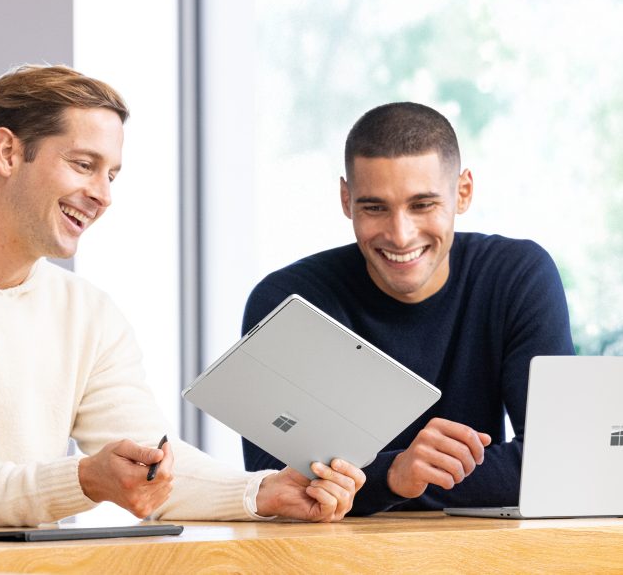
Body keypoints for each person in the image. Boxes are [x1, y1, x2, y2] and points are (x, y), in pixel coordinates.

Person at [0, 64, 364, 532]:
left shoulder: (86, 313)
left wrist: (264, 491)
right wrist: (85, 480)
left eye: (112, 173)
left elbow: (152, 473)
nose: (103, 195)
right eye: (83, 165)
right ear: (8, 153)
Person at [241, 102, 574, 515]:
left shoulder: (516, 276)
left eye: (422, 205)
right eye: (375, 207)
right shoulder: (289, 302)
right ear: (346, 200)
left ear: (463, 192)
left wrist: (383, 482)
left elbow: (557, 463)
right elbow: (276, 487)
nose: (400, 235)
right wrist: (395, 473)